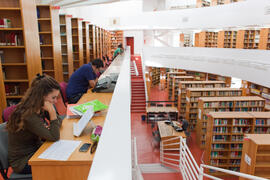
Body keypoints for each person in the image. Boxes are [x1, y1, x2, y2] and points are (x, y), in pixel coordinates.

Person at [7, 74, 63, 174]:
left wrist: (51, 123)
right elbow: (54, 136)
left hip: (36, 150)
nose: (55, 101)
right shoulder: (29, 114)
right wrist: (52, 113)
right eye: (53, 97)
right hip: (23, 161)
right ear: (42, 96)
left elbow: (59, 122)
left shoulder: (39, 106)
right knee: (60, 166)